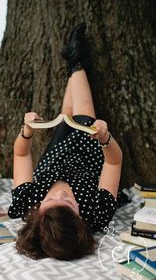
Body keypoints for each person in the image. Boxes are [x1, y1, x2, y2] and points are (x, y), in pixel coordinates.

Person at [8, 23, 123, 261]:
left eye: (50, 200)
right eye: (69, 202)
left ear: (38, 214)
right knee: (83, 113)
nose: (60, 194)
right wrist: (105, 138)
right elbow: (114, 164)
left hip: (56, 155)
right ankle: (76, 62)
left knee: (66, 113)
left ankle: (74, 65)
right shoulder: (96, 212)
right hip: (89, 156)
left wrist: (26, 130)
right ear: (81, 218)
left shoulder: (26, 204)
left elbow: (20, 156)